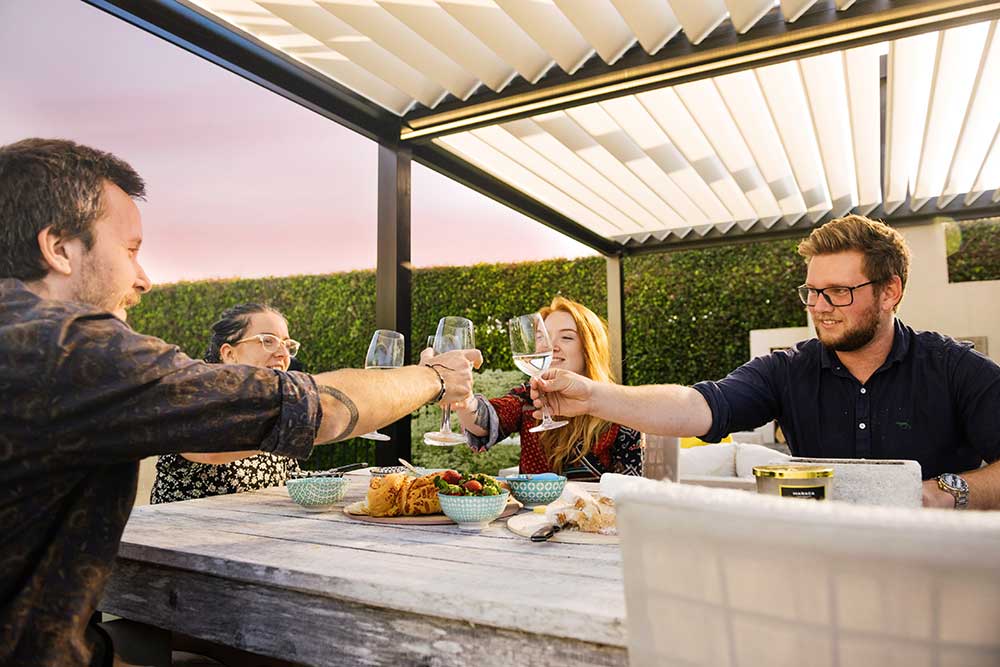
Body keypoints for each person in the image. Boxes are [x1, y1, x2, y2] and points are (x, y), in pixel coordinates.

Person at [0, 138, 481, 667]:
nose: (143, 279)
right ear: (60, 248)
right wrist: (434, 375)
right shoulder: (69, 351)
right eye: (130, 250)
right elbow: (315, 407)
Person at [530, 215, 1000, 510]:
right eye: (812, 291)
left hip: (935, 571)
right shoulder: (787, 369)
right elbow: (697, 406)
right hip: (819, 567)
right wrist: (592, 395)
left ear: (890, 291)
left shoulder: (954, 367)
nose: (819, 306)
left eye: (838, 291)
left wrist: (944, 492)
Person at [452, 296, 642, 479]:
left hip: (599, 511)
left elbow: (634, 490)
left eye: (566, 337)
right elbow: (485, 422)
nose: (551, 346)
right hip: (535, 513)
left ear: (590, 349)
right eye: (543, 337)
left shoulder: (618, 409)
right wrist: (463, 398)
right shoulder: (529, 397)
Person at [150, 303, 306, 504]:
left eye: (286, 344)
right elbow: (210, 451)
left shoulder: (271, 406)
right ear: (229, 354)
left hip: (257, 530)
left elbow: (290, 479)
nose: (283, 354)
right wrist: (298, 426)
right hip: (184, 530)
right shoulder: (193, 397)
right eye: (268, 341)